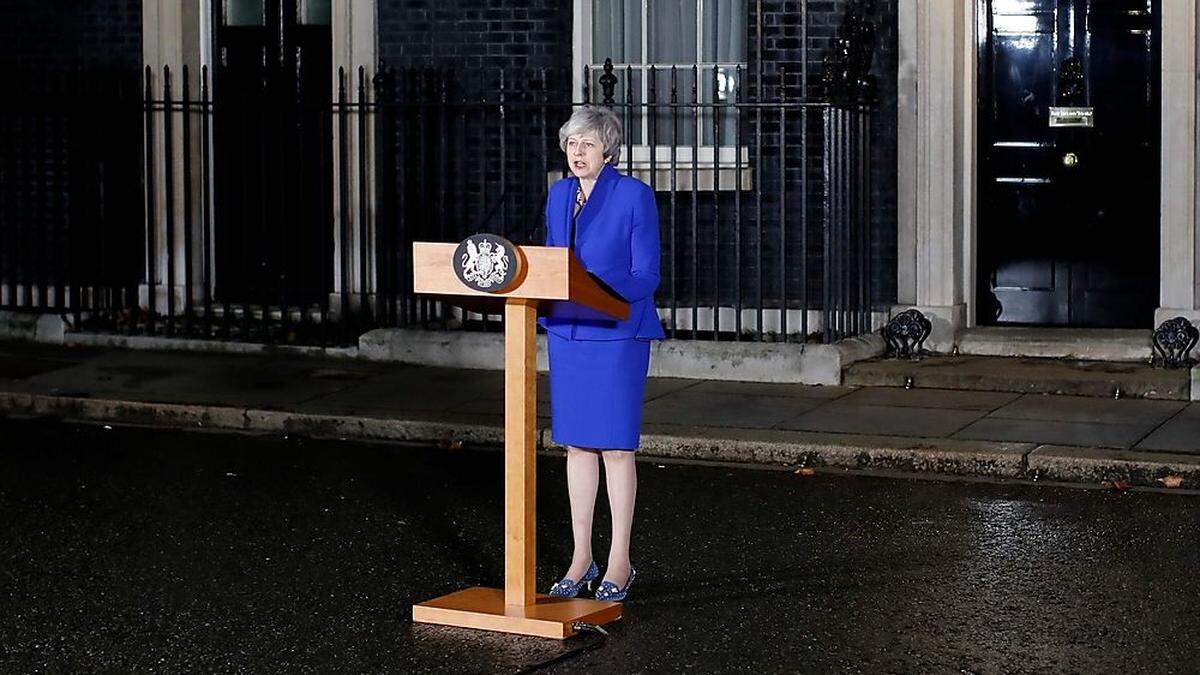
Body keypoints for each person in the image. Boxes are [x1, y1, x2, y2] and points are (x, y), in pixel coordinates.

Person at [541, 105, 665, 603]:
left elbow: (646, 274)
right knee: (576, 446)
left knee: (614, 447)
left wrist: (594, 289)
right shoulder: (557, 196)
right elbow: (551, 259)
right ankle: (580, 557)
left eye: (588, 144)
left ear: (608, 150)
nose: (577, 152)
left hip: (615, 333)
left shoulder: (635, 196)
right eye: (572, 143)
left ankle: (619, 558)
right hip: (568, 333)